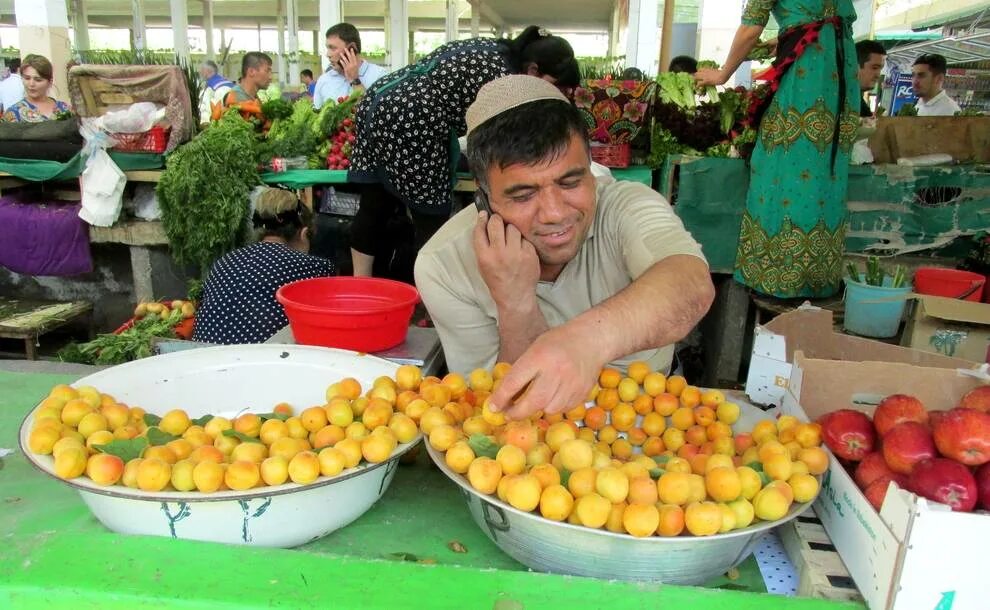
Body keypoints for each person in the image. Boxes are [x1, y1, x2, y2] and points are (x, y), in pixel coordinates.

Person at [414, 76, 714, 420]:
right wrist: (516, 305)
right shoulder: (444, 265)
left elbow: (690, 285)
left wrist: (582, 342)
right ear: (483, 197)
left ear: (591, 169)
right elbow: (499, 407)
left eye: (570, 182)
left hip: (650, 431)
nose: (555, 213)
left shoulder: (624, 207)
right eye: (523, 195)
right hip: (535, 451)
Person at [348, 25, 581, 278]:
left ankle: (360, 287)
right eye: (557, 87)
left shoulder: (496, 51)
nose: (556, 95)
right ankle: (432, 297)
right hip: (412, 117)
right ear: (534, 69)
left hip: (379, 99)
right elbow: (498, 140)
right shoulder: (506, 80)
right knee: (430, 216)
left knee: (375, 203)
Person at [695, 1, 859, 299]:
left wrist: (721, 74)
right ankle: (817, 275)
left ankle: (780, 275)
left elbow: (750, 28)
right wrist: (787, 35)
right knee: (825, 166)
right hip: (840, 66)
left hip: (808, 73)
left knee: (784, 163)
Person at [192, 188, 335, 345]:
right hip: (267, 361)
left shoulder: (224, 261)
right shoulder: (316, 267)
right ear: (304, 233)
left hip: (205, 355)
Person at [313, 23, 387, 110]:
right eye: (327, 48)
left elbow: (379, 113)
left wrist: (355, 80)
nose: (328, 54)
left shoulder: (380, 75)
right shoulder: (323, 80)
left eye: (333, 48)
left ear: (352, 48)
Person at [1, 55, 70, 123]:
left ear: (50, 82)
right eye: (27, 78)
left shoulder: (65, 109)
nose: (31, 84)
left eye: (38, 80)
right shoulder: (13, 113)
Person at [856, 40, 885, 118]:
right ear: (855, 66)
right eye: (874, 68)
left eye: (880, 69)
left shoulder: (858, 102)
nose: (878, 75)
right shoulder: (836, 100)